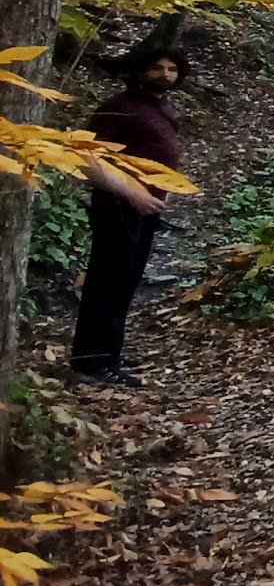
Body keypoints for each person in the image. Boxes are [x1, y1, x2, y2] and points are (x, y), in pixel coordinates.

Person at [71, 48, 188, 385]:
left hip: (145, 208)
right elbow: (87, 158)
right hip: (118, 205)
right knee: (107, 280)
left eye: (171, 69)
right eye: (156, 67)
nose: (165, 74)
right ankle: (90, 362)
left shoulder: (162, 107)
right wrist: (132, 193)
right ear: (138, 70)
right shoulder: (118, 107)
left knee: (125, 281)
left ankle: (109, 354)